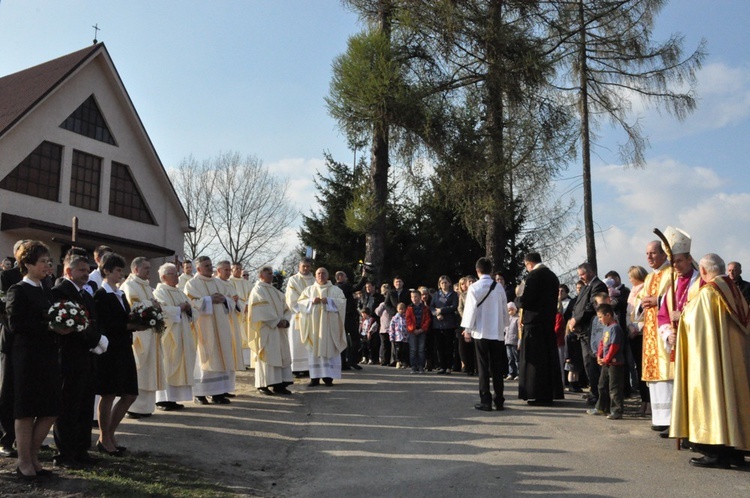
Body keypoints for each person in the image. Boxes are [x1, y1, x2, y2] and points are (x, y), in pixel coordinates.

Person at [670, 253, 750, 469]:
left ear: (703, 271)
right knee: (733, 399)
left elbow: (696, 326)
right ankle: (735, 452)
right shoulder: (735, 291)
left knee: (714, 396)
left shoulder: (708, 293)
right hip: (735, 363)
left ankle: (715, 452)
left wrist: (681, 315)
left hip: (712, 361)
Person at [6, 241, 62, 478]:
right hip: (27, 357)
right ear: (27, 264)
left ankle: (33, 455)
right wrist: (49, 326)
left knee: (49, 410)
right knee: (26, 411)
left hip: (48, 356)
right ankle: (24, 462)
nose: (47, 266)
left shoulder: (46, 289)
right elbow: (16, 325)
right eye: (42, 262)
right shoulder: (18, 290)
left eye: (48, 262)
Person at [51, 250, 103, 468]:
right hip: (69, 357)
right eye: (82, 269)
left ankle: (81, 449)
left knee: (84, 405)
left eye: (88, 269)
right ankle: (65, 453)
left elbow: (93, 322)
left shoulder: (86, 294)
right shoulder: (59, 292)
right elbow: (67, 326)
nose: (87, 273)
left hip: (86, 358)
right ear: (68, 271)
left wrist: (97, 338)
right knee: (68, 407)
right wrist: (94, 339)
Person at [655, 227, 700, 437]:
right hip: (677, 343)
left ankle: (695, 429)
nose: (676, 266)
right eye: (673, 262)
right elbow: (662, 315)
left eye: (679, 261)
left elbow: (704, 312)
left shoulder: (700, 283)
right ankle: (679, 426)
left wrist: (681, 315)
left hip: (697, 344)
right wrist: (667, 334)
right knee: (679, 386)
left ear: (690, 259)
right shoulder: (671, 285)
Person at [93, 252, 139, 456]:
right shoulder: (101, 295)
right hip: (110, 350)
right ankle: (104, 437)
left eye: (122, 270)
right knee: (109, 393)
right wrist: (128, 325)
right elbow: (104, 324)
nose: (121, 274)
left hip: (124, 348)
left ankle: (109, 433)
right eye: (118, 270)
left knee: (130, 394)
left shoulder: (120, 294)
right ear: (107, 271)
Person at [184, 256, 239, 405]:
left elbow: (230, 301)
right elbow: (191, 303)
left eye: (210, 265)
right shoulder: (192, 284)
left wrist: (225, 300)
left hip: (221, 327)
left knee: (221, 357)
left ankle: (218, 393)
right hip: (203, 328)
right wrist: (208, 299)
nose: (209, 268)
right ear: (199, 268)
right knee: (204, 359)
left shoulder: (218, 282)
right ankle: (200, 394)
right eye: (206, 266)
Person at [461, 257, 509, 411]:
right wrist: (505, 325)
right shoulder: (499, 287)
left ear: (477, 271)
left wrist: (467, 329)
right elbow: (504, 309)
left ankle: (485, 400)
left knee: (483, 367)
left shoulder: (474, 287)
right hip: (496, 331)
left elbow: (470, 310)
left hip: (481, 331)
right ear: (491, 270)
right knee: (497, 367)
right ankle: (499, 399)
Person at [517, 252, 564, 405]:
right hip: (548, 322)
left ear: (528, 263)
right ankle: (549, 393)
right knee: (548, 360)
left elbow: (527, 300)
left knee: (534, 362)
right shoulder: (552, 276)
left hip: (534, 324)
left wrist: (518, 299)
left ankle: (536, 393)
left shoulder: (533, 276)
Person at [120, 257, 165, 418]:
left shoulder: (147, 287)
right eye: (145, 268)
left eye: (149, 268)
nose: (149, 271)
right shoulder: (129, 285)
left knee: (149, 370)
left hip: (150, 334)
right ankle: (133, 408)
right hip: (139, 335)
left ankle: (146, 407)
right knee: (140, 370)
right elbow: (133, 307)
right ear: (135, 270)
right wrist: (152, 304)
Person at [638, 239, 674, 432]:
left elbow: (676, 299)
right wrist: (641, 304)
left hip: (663, 334)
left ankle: (671, 419)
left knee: (666, 375)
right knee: (654, 378)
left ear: (663, 254)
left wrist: (657, 300)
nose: (649, 257)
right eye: (647, 254)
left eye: (653, 253)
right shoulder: (649, 278)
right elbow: (640, 300)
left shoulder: (671, 274)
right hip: (650, 332)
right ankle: (659, 418)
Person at [152, 263, 196, 411]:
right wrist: (179, 308)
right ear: (164, 277)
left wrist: (189, 309)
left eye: (177, 273)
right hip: (169, 336)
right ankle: (162, 400)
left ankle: (174, 399)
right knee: (168, 365)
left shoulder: (180, 292)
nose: (177, 276)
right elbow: (161, 312)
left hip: (183, 333)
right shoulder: (159, 292)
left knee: (180, 363)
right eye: (173, 274)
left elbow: (192, 311)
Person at [298, 268, 347, 386]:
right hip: (314, 327)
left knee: (329, 347)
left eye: (323, 273)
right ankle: (314, 378)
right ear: (315, 275)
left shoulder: (335, 290)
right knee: (314, 349)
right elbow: (300, 303)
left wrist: (329, 301)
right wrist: (310, 301)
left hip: (330, 327)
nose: (321, 275)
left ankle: (328, 377)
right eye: (318, 273)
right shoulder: (309, 290)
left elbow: (342, 303)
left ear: (328, 275)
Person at [248, 266, 293, 395]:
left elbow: (286, 308)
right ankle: (263, 385)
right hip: (266, 330)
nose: (271, 275)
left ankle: (280, 384)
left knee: (280, 354)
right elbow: (261, 310)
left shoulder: (276, 291)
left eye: (272, 273)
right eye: (268, 273)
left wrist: (285, 320)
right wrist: (276, 321)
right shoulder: (258, 290)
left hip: (278, 330)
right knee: (267, 356)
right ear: (260, 275)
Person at [569, 262, 607, 406]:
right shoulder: (585, 287)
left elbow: (591, 306)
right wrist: (573, 319)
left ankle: (598, 394)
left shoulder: (598, 285)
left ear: (590, 272)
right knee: (587, 362)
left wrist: (577, 319)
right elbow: (578, 305)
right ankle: (593, 391)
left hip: (591, 329)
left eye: (582, 274)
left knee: (592, 362)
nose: (581, 277)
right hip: (582, 330)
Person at [0, 239, 25, 459]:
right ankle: (6, 438)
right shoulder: (7, 277)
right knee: (8, 390)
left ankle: (24, 439)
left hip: (33, 345)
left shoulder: (45, 278)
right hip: (11, 339)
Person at [586, 303, 626, 420]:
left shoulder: (615, 328)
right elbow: (602, 343)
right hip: (606, 363)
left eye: (600, 317)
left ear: (608, 315)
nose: (599, 320)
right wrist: (599, 355)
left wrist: (607, 358)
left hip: (615, 363)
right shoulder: (606, 327)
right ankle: (602, 407)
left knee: (614, 387)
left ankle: (616, 410)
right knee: (602, 385)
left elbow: (614, 346)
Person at [285, 258, 315, 376]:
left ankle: (309, 366)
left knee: (310, 341)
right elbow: (291, 298)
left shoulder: (314, 280)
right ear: (299, 267)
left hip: (312, 316)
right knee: (297, 341)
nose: (306, 268)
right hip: (297, 314)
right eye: (304, 266)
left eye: (308, 266)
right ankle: (296, 367)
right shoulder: (293, 280)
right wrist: (307, 305)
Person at [216, 260, 246, 375]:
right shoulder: (215, 283)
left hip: (232, 321)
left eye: (229, 270)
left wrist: (236, 303)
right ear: (219, 270)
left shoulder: (229, 284)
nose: (229, 272)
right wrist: (229, 301)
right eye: (226, 270)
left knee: (231, 350)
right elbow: (220, 300)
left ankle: (226, 386)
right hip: (221, 321)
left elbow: (236, 302)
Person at [626, 265, 649, 415]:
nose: (630, 279)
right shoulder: (632, 292)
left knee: (644, 368)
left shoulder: (646, 289)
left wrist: (638, 328)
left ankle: (648, 402)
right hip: (632, 332)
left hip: (643, 333)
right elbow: (628, 313)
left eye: (631, 277)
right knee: (638, 368)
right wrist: (630, 327)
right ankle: (643, 401)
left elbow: (646, 312)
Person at [431, 276, 459, 374]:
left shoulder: (453, 294)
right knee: (439, 346)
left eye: (446, 282)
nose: (444, 284)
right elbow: (432, 307)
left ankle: (448, 366)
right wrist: (436, 314)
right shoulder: (436, 295)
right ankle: (442, 366)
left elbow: (454, 306)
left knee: (449, 346)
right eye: (442, 283)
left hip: (449, 323)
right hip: (438, 324)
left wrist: (442, 310)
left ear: (449, 283)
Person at [406, 289, 431, 374]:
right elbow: (408, 320)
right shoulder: (409, 308)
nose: (414, 298)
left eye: (416, 296)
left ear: (420, 297)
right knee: (413, 349)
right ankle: (413, 366)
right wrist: (413, 329)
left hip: (421, 331)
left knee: (421, 349)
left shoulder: (424, 308)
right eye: (412, 297)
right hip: (412, 331)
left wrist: (422, 329)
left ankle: (421, 366)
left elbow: (427, 320)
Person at [457, 276, 477, 376]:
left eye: (473, 281)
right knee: (465, 347)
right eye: (469, 281)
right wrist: (466, 317)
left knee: (475, 346)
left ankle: (476, 367)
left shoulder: (479, 293)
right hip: (465, 322)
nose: (471, 283)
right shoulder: (463, 295)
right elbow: (460, 308)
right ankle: (468, 367)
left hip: (477, 322)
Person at [374, 283, 393, 366]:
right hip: (384, 327)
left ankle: (390, 360)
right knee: (384, 345)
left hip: (391, 327)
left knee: (390, 345)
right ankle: (384, 359)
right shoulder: (383, 304)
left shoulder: (392, 303)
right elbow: (377, 312)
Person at [388, 303, 409, 368]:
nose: (401, 310)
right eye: (400, 309)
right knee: (398, 350)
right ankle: (398, 361)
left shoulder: (406, 317)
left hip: (405, 337)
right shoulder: (394, 318)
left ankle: (404, 362)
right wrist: (391, 336)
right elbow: (391, 328)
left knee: (404, 350)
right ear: (397, 309)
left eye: (403, 309)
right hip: (397, 337)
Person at [505, 302, 519, 380]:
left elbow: (519, 331)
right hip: (507, 341)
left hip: (515, 341)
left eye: (511, 309)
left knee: (516, 358)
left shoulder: (517, 319)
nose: (510, 311)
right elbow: (505, 329)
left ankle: (518, 373)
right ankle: (511, 373)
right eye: (508, 310)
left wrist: (519, 342)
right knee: (510, 358)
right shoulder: (507, 319)